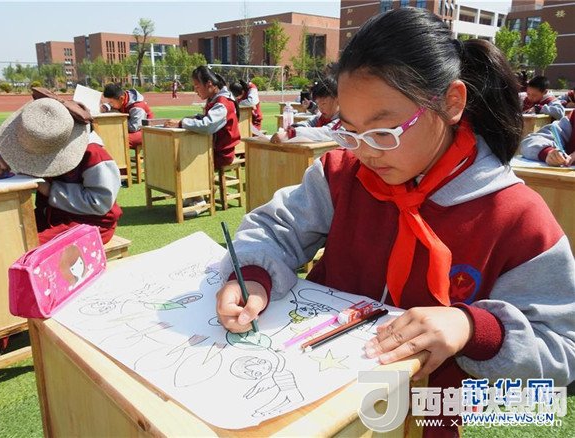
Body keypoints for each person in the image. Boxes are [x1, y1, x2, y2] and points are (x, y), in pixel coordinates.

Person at [215, 8, 575, 437]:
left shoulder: (516, 217)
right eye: (350, 131)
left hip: (424, 417)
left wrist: (472, 328)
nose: (365, 152)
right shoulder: (340, 175)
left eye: (384, 132)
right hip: (313, 402)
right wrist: (253, 275)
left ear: (452, 102)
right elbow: (275, 229)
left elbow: (563, 352)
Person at [0, 97, 122, 245]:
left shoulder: (93, 154)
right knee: (6, 235)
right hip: (50, 214)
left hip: (89, 222)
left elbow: (100, 202)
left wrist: (49, 189)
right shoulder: (31, 135)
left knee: (26, 245)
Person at [165, 66, 241, 215]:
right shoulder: (215, 99)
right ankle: (193, 194)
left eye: (197, 86)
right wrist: (193, 118)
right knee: (184, 154)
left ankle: (199, 199)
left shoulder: (223, 103)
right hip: (213, 148)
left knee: (188, 158)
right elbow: (207, 119)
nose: (195, 90)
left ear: (209, 84)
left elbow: (207, 126)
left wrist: (181, 123)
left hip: (222, 152)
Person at [270, 77, 341, 143]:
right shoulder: (321, 117)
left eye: (323, 103)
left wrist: (292, 133)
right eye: (317, 104)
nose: (320, 108)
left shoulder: (344, 121)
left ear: (338, 100)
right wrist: (294, 127)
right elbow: (309, 123)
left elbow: (328, 132)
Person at [101, 83, 155, 151]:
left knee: (118, 139)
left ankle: (119, 157)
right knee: (107, 135)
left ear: (121, 98)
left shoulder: (137, 107)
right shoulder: (120, 98)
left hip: (145, 131)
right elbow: (111, 104)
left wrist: (117, 115)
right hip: (132, 129)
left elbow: (134, 128)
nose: (110, 105)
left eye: (111, 102)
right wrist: (106, 107)